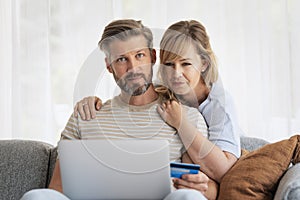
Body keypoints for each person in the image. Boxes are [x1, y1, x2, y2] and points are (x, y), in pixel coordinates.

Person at [21, 19, 215, 200]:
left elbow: (207, 187)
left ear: (153, 56)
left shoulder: (185, 118)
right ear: (108, 65)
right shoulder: (85, 116)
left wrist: (202, 186)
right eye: (122, 59)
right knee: (37, 197)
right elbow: (57, 189)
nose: (133, 68)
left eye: (139, 55)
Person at [75, 20, 241, 183]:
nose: (176, 73)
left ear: (203, 63)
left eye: (186, 64)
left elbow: (223, 171)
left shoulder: (219, 104)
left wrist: (180, 123)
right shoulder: (164, 87)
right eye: (169, 63)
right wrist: (94, 101)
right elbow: (135, 89)